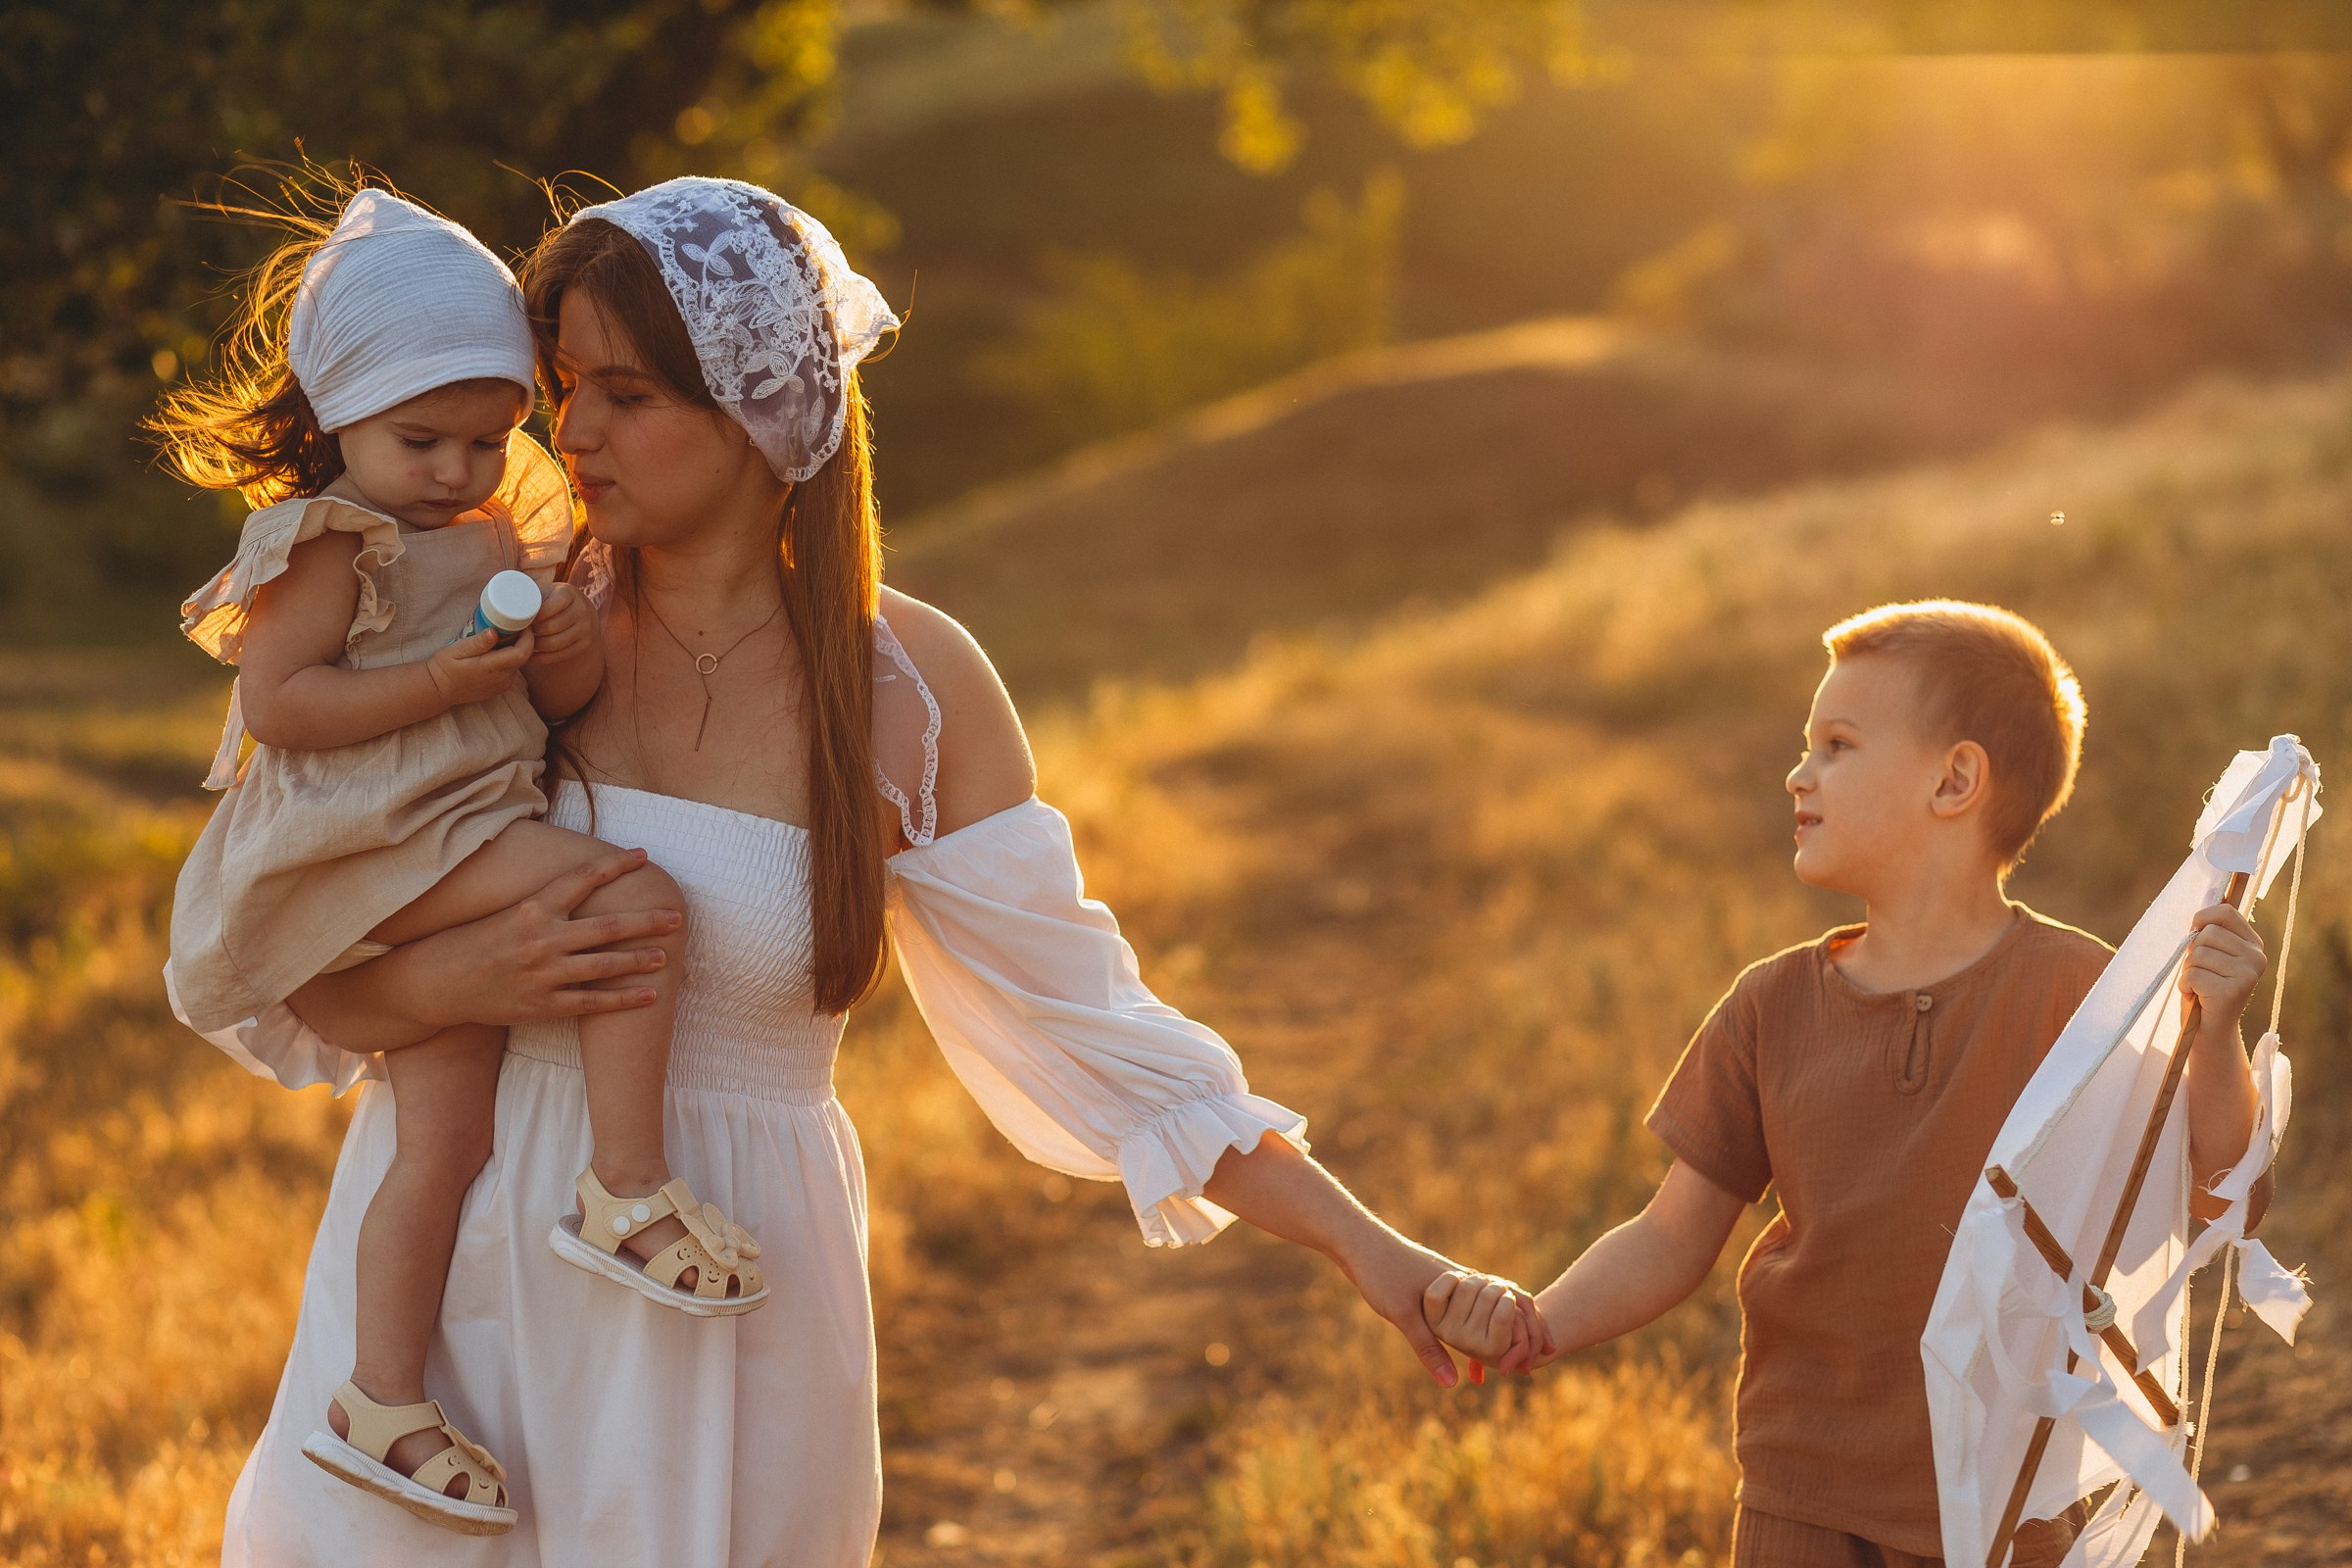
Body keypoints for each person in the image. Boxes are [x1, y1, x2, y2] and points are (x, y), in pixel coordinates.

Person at [182, 174, 1546, 1566]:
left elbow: (1101, 1029)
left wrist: (1376, 1251)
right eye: (566, 386)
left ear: (763, 406)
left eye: (629, 394)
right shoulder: (495, 621)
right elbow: (283, 957)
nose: (571, 432)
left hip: (726, 1330)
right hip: (448, 1312)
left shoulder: (910, 688)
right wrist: (459, 978)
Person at [158, 186, 775, 1538]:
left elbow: (543, 713)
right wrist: (440, 681)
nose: (453, 469)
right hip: (367, 839)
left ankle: (381, 1395)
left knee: (439, 1140)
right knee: (628, 894)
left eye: (489, 439)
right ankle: (623, 1185)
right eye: (418, 438)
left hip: (443, 829)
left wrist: (548, 651)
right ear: (338, 419)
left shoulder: (497, 533)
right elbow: (284, 710)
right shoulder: (329, 541)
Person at [1424, 601, 2271, 1567]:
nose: (1799, 772)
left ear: (1954, 779)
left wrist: (2216, 1036)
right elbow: (1669, 1235)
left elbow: (2220, 1194)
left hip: (2002, 1501)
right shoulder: (1769, 1007)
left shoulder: (2080, 995)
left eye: (1837, 744)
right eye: (1807, 745)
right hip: (1803, 1494)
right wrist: (1540, 1319)